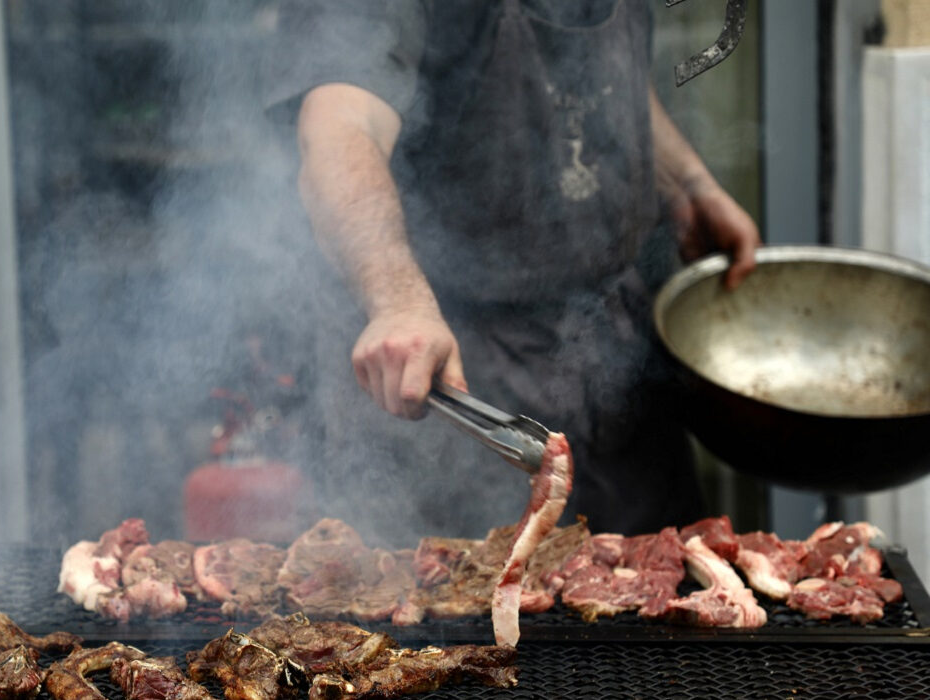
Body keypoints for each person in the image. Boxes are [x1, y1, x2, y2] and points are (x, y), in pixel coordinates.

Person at [266, 0, 760, 546]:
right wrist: (398, 302)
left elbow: (599, 75)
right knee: (473, 619)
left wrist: (686, 184)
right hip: (456, 376)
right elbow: (339, 126)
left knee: (663, 604)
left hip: (611, 361)